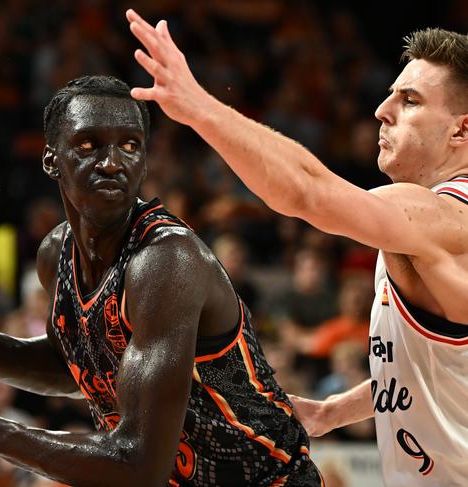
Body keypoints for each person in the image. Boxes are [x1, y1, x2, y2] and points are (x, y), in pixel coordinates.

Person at [0, 76, 321, 486]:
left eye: (129, 145)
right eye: (88, 145)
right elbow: (74, 368)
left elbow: (138, 466)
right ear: (51, 161)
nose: (110, 162)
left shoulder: (166, 262)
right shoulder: (54, 254)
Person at [126, 10, 468, 485]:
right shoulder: (429, 232)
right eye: (390, 93)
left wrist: (197, 107)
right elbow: (432, 372)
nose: (382, 110)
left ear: (461, 132)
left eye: (410, 101)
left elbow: (309, 192)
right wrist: (331, 411)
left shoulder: (444, 218)